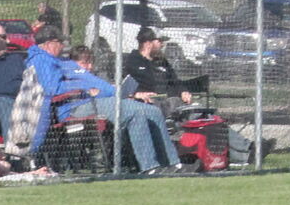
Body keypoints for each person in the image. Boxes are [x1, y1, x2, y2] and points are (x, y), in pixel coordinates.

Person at [24, 26, 181, 173]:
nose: (63, 46)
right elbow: (52, 89)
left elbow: (95, 84)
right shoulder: (41, 60)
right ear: (50, 43)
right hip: (76, 105)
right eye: (60, 43)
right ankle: (150, 167)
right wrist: (85, 90)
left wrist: (127, 93)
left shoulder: (62, 61)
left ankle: (172, 163)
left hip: (98, 99)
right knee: (135, 112)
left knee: (152, 111)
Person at [120, 26, 194, 112]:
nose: (162, 45)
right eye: (160, 41)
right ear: (148, 43)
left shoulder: (162, 62)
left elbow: (175, 81)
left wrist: (183, 91)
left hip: (170, 102)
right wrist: (136, 94)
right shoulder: (132, 61)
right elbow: (122, 86)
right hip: (146, 105)